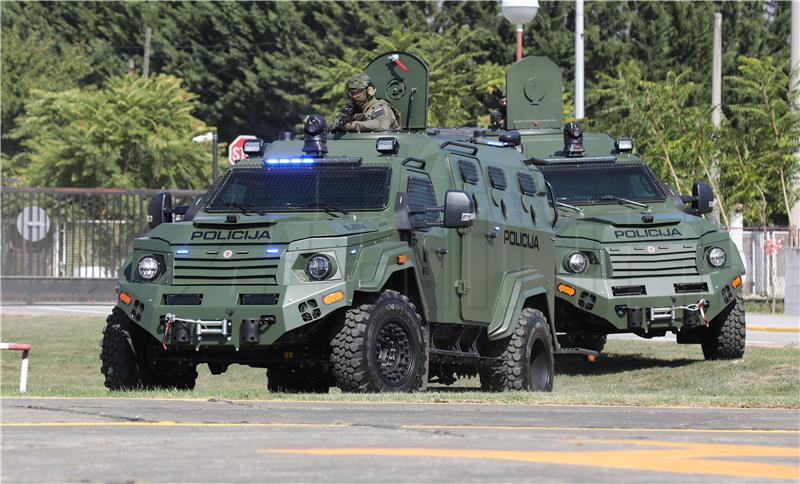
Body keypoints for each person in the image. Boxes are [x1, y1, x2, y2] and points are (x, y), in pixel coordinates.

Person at [333, 73, 399, 132]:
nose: (353, 96)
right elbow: (333, 125)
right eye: (351, 93)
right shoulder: (352, 110)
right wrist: (339, 124)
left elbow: (382, 125)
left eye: (357, 92)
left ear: (369, 91)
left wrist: (353, 125)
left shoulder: (380, 107)